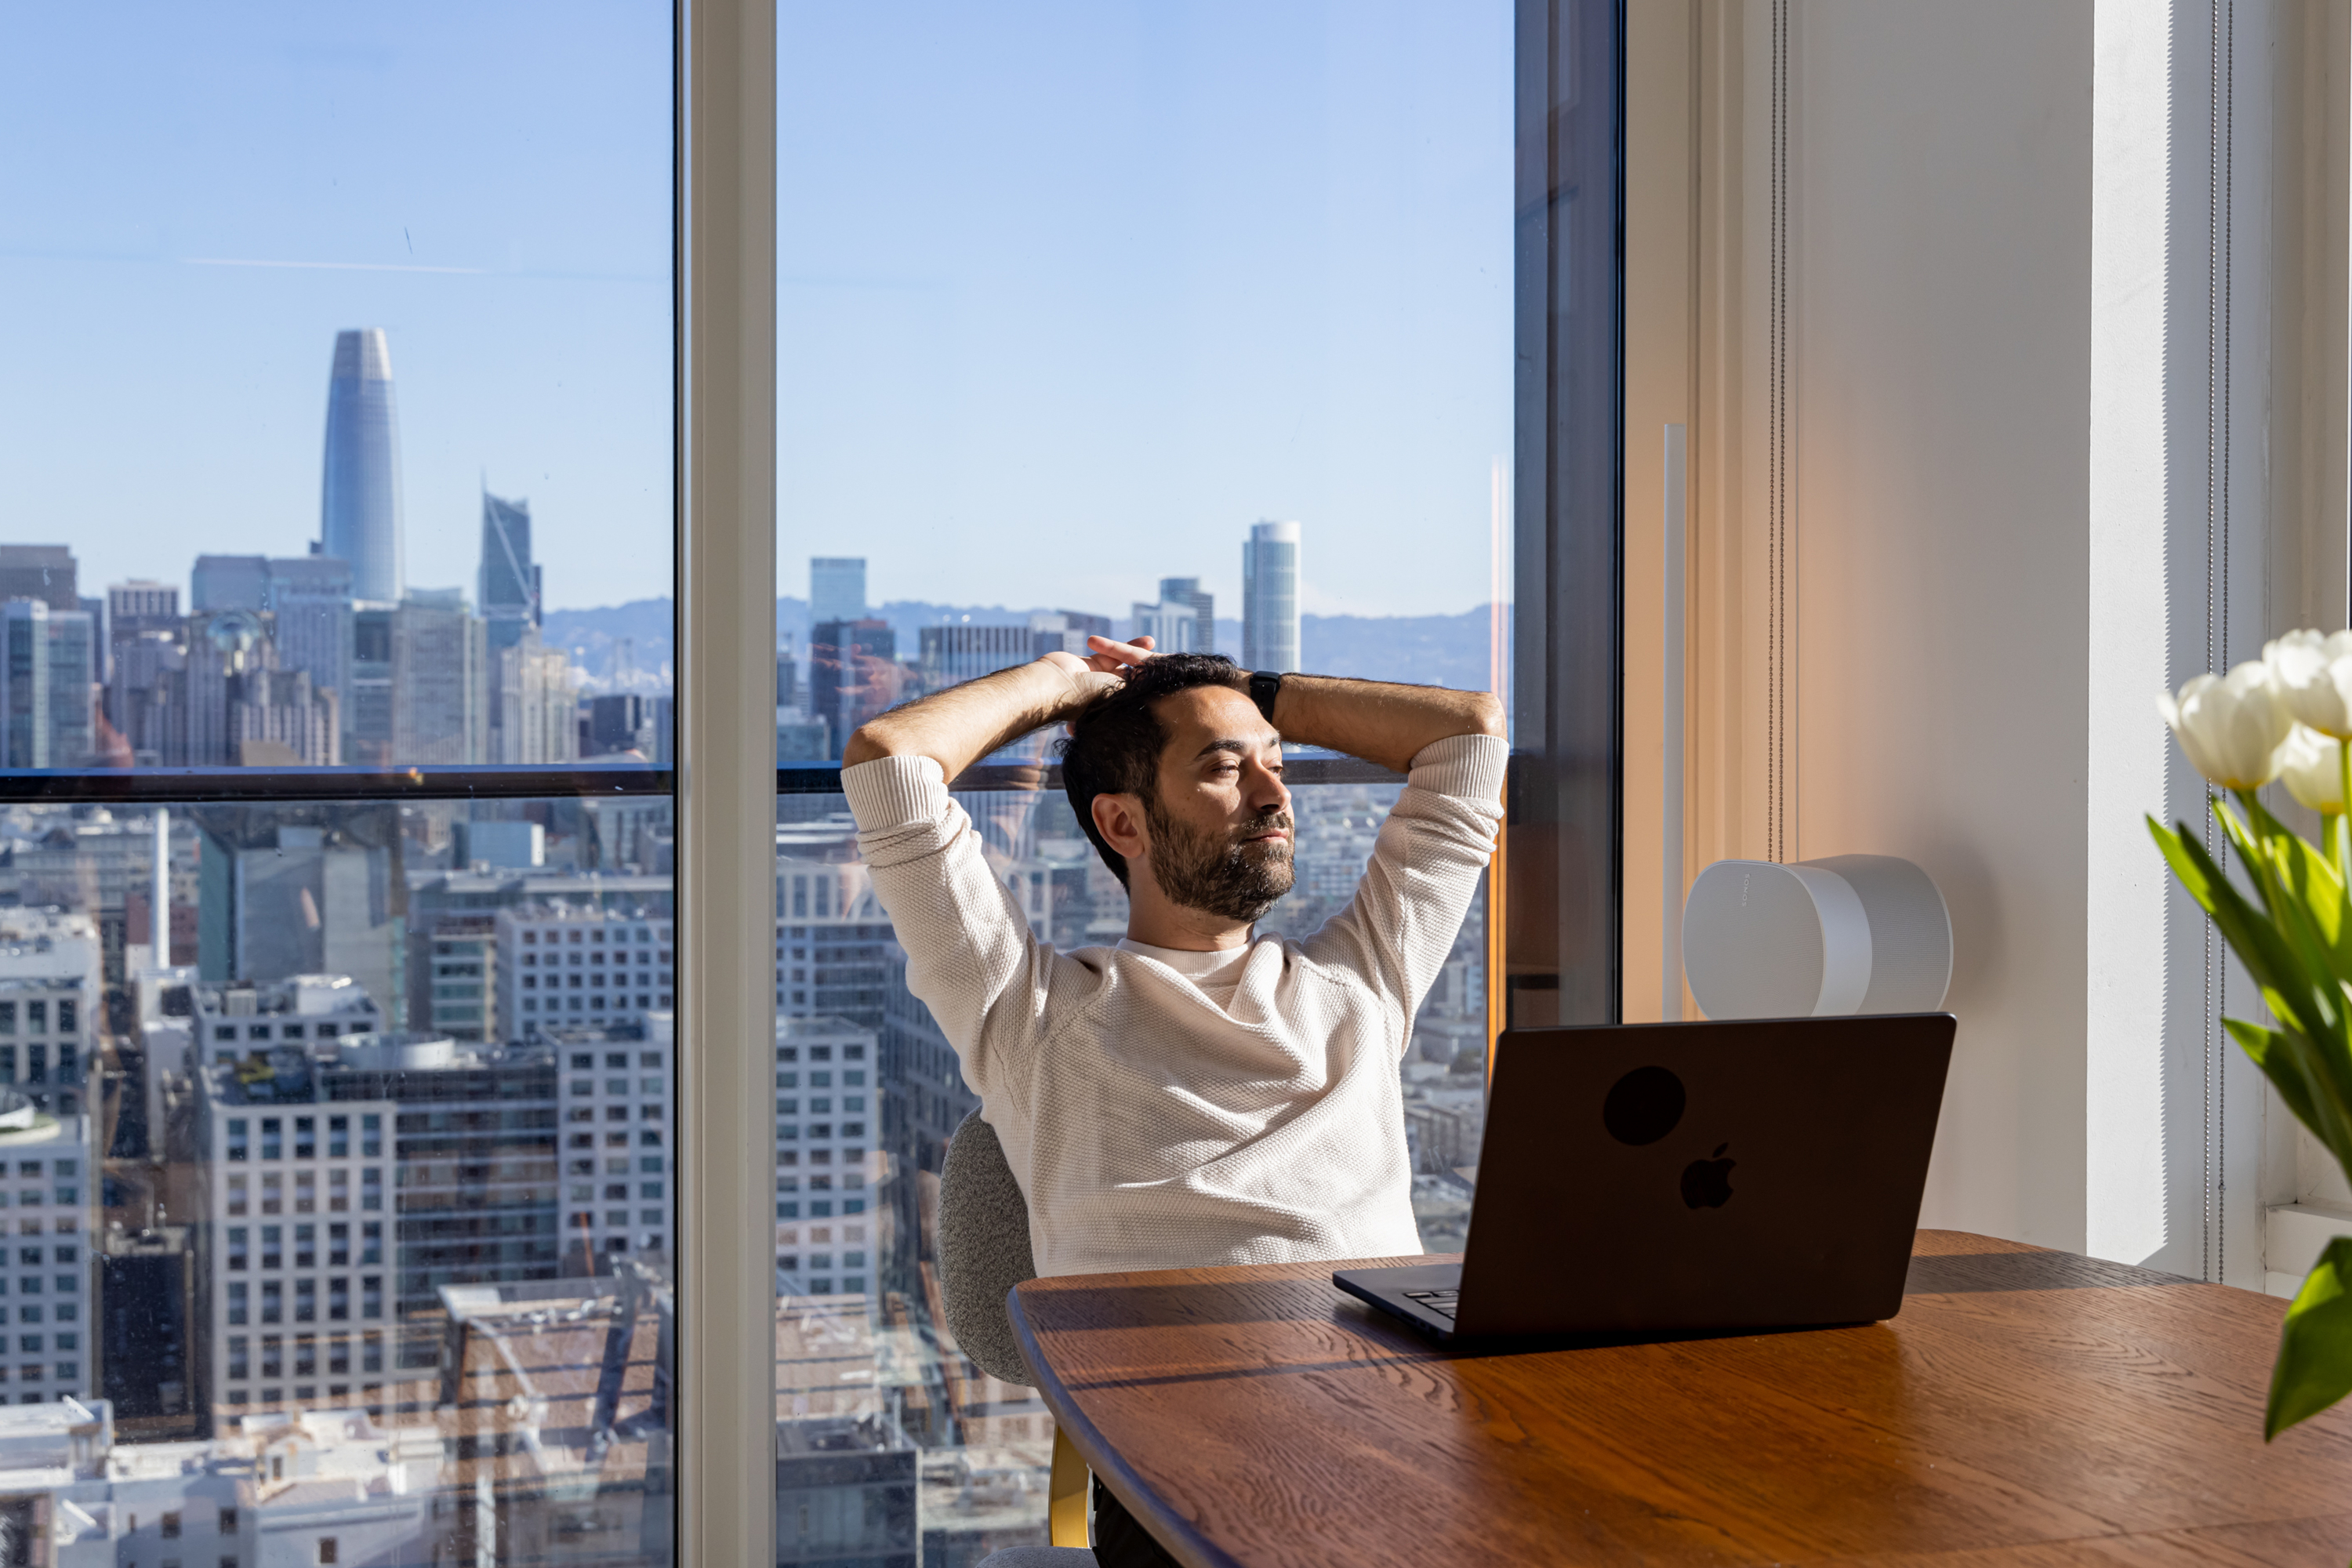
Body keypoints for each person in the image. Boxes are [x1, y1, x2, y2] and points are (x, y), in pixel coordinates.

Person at [844, 634, 1502, 1564]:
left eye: (1275, 765)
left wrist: (1245, 691)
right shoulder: (1030, 1015)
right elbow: (889, 760)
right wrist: (1063, 683)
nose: (1275, 796)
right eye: (1225, 769)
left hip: (1388, 1415)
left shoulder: (1362, 985)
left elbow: (1470, 732)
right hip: (1180, 1445)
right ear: (1123, 824)